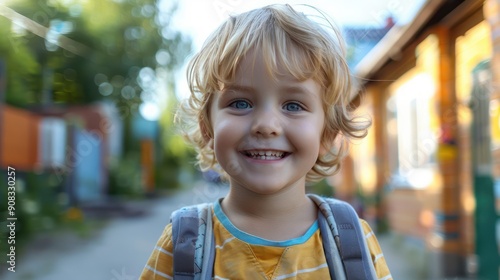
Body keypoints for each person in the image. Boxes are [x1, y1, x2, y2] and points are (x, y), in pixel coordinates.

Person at [141, 4, 391, 279]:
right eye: (240, 102)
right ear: (208, 128)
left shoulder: (353, 242)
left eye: (294, 105)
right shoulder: (183, 245)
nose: (266, 125)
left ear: (327, 134)